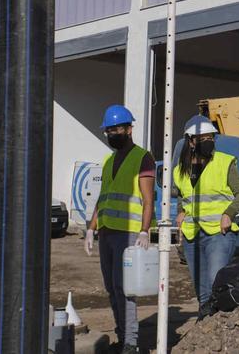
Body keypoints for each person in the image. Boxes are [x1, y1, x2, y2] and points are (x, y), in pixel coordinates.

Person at [84, 104, 155, 354]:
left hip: (129, 233)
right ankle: (122, 333)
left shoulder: (142, 158)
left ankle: (131, 343)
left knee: (125, 289)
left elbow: (148, 200)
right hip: (107, 233)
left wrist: (144, 231)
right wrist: (91, 229)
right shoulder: (108, 160)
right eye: (109, 130)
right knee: (111, 288)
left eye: (117, 129)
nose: (113, 133)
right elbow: (103, 198)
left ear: (129, 128)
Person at [172, 115, 239, 319]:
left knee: (216, 280)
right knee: (201, 287)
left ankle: (220, 320)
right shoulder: (180, 170)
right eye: (203, 138)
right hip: (191, 234)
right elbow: (182, 195)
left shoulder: (224, 162)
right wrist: (180, 211)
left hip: (218, 233)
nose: (209, 141)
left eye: (211, 137)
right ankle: (206, 323)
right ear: (191, 141)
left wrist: (228, 214)